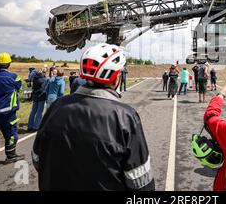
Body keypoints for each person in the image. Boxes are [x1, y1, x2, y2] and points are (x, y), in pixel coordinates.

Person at [32, 44, 155, 191]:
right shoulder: (125, 117)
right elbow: (139, 180)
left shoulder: (56, 106)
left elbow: (37, 158)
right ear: (115, 78)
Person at [0, 53, 24, 172]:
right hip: (7, 112)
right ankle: (11, 156)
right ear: (9, 64)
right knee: (11, 134)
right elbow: (19, 88)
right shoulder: (14, 77)